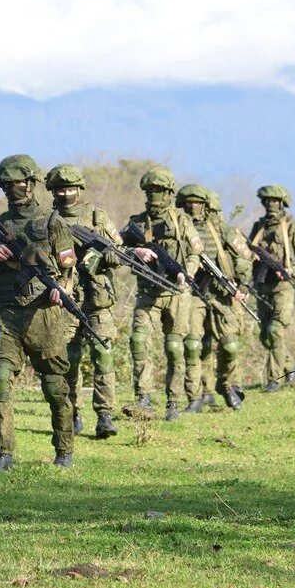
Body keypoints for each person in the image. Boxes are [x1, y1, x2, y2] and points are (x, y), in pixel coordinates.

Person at [0, 155, 77, 470]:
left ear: (32, 182)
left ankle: (64, 451)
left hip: (45, 316)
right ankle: (3, 455)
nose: (15, 189)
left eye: (20, 182)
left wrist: (62, 289)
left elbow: (69, 268)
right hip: (6, 314)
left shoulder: (53, 222)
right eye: (8, 184)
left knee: (55, 385)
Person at [44, 163, 122, 439]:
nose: (66, 194)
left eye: (71, 188)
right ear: (53, 191)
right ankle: (72, 414)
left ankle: (105, 416)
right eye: (61, 189)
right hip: (64, 301)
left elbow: (118, 248)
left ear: (80, 188)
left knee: (104, 356)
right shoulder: (47, 220)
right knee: (68, 361)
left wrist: (105, 257)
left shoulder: (97, 217)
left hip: (98, 299)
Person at [120, 166, 203, 421]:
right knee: (138, 340)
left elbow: (194, 253)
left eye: (159, 190)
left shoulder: (182, 221)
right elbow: (117, 249)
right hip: (147, 292)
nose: (154, 195)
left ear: (168, 193)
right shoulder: (136, 222)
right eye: (150, 191)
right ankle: (143, 396)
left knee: (175, 347)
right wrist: (136, 252)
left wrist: (184, 274)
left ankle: (173, 401)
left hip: (177, 294)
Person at [175, 184, 252, 411]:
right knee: (195, 344)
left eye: (198, 202)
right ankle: (197, 395)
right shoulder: (178, 228)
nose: (193, 206)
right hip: (193, 293)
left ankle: (227, 384)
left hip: (221, 293)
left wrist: (244, 284)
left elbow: (243, 256)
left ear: (205, 205)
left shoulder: (220, 229)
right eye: (188, 202)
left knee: (230, 345)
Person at [248, 184, 295, 392]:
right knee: (264, 335)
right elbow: (247, 252)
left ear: (282, 203)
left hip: (282, 288)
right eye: (267, 201)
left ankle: (274, 379)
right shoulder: (259, 227)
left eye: (274, 201)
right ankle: (290, 365)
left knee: (275, 331)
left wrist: (291, 270)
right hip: (262, 286)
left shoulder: (293, 228)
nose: (270, 205)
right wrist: (252, 257)